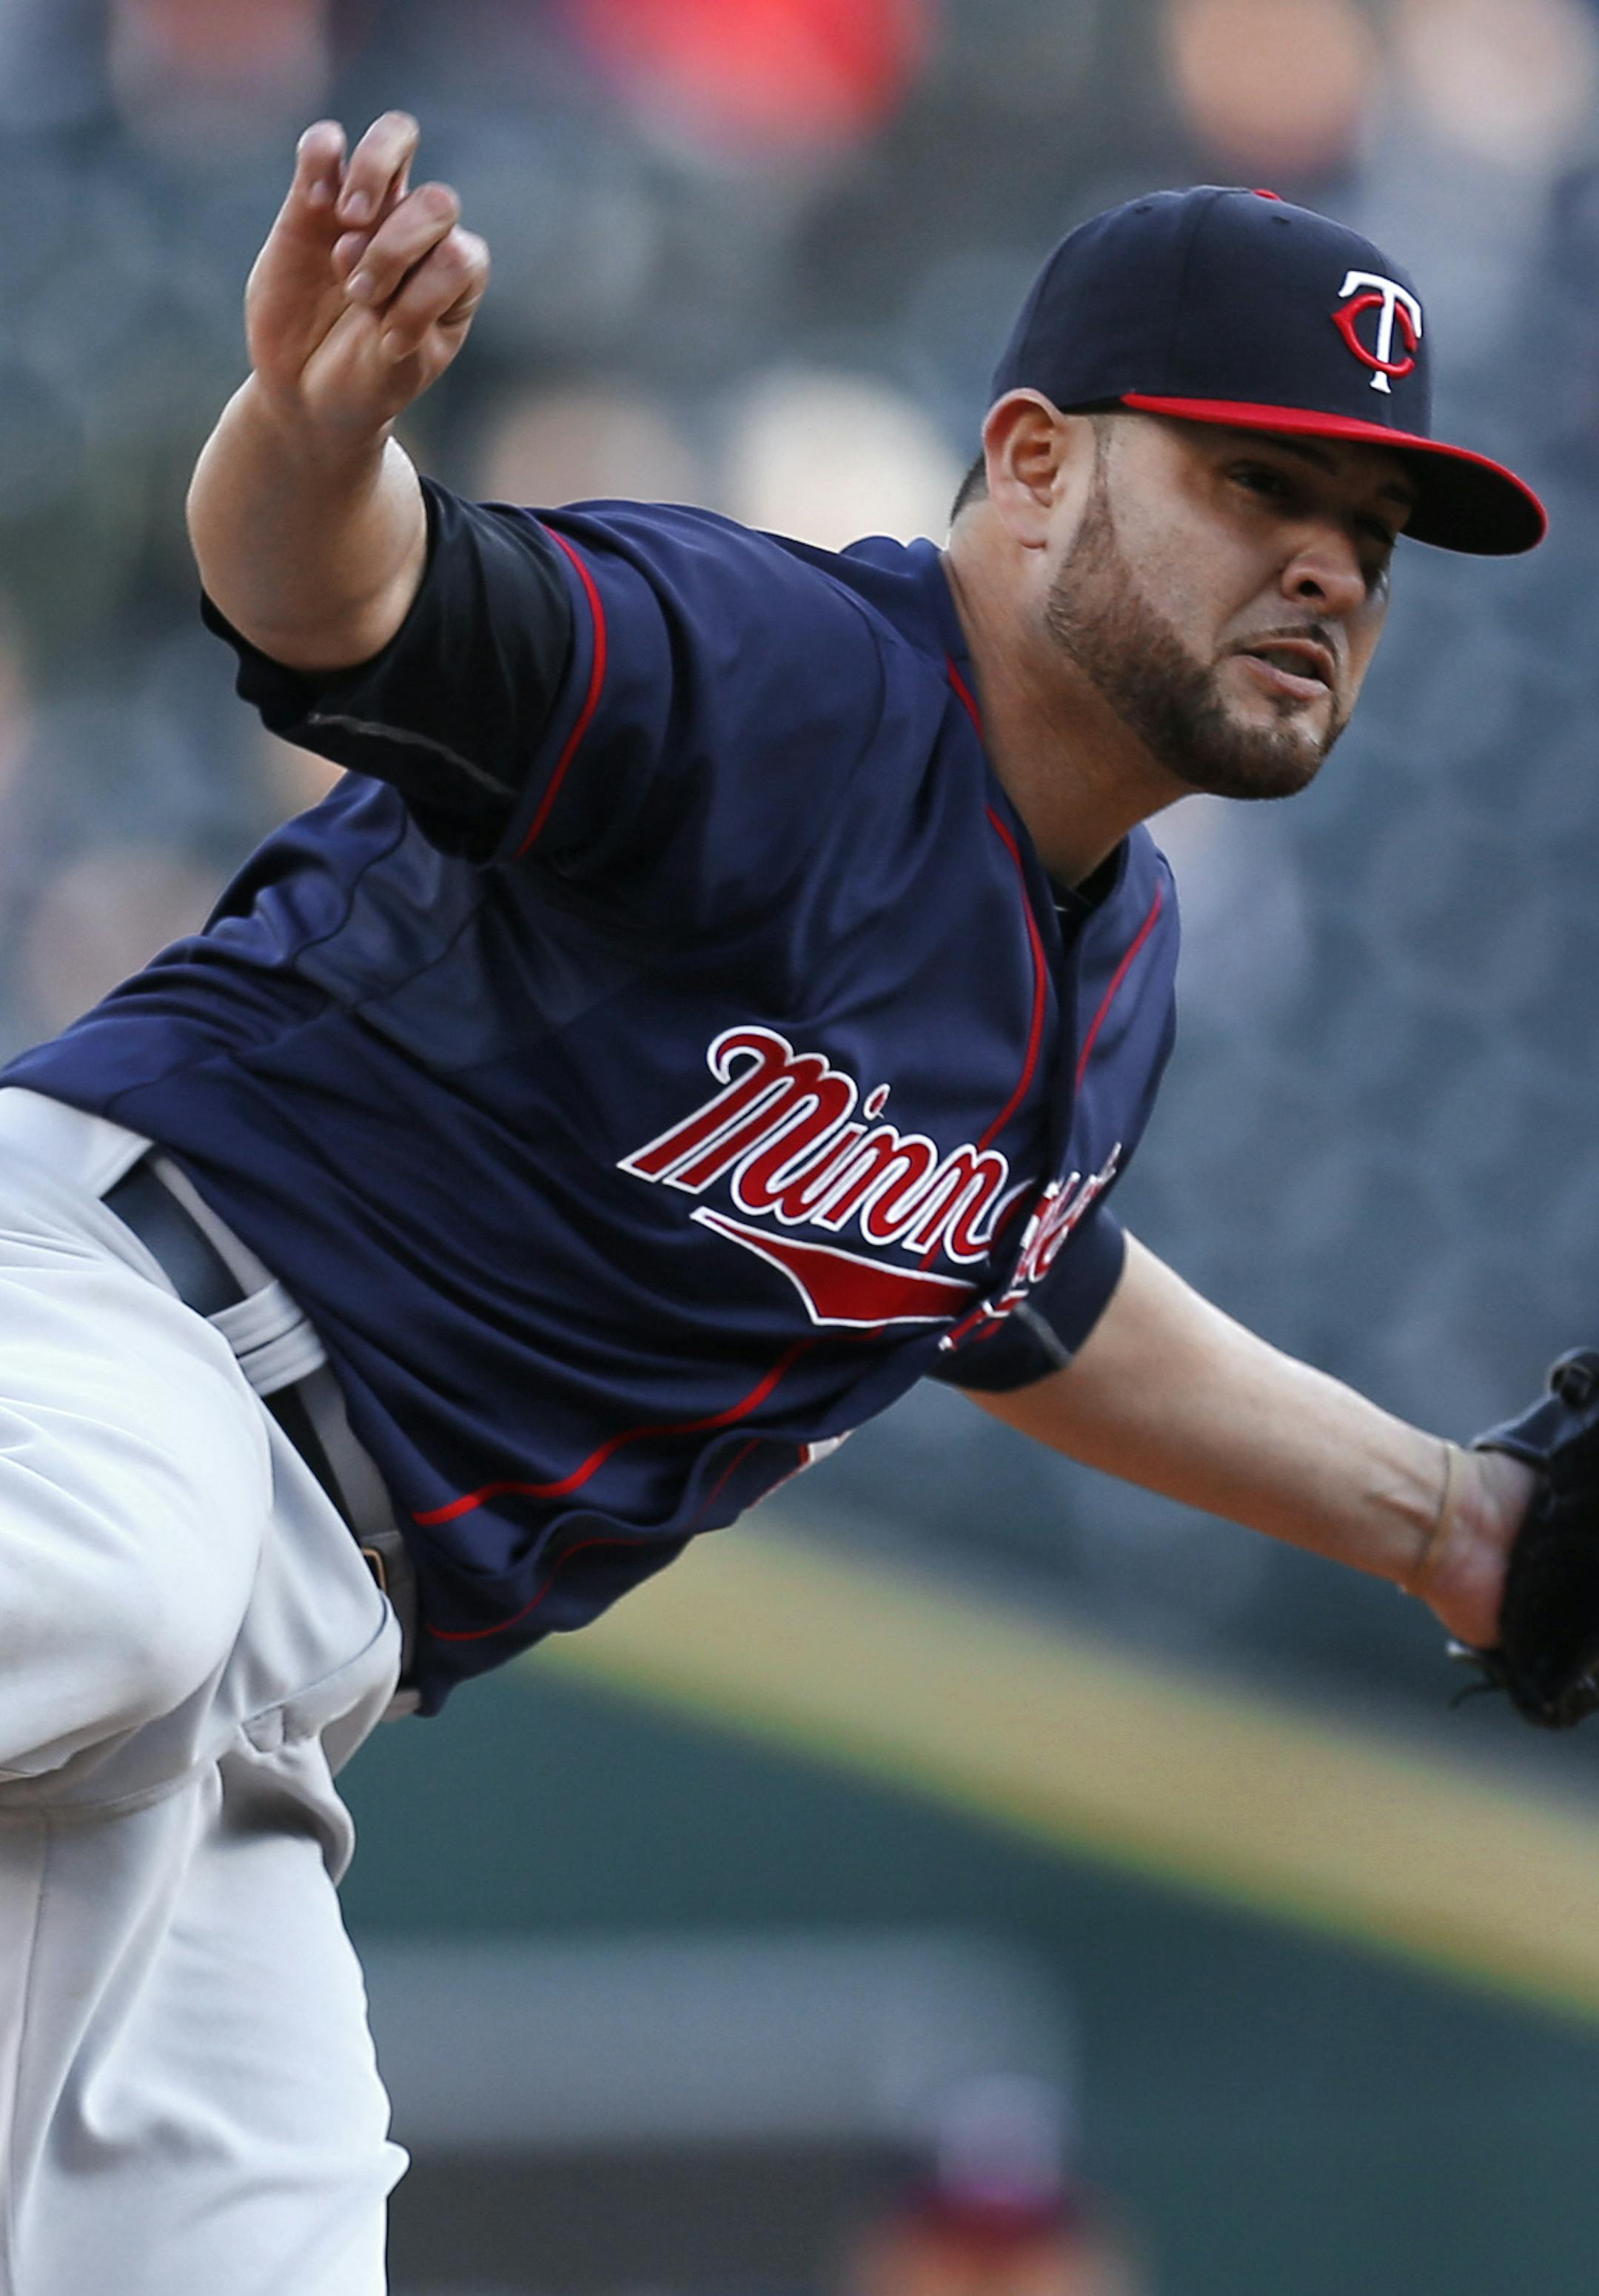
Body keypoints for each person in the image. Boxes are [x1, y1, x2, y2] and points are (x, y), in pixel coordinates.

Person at [0, 112, 1547, 2294]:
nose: (1328, 566)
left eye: (1375, 529)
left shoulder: (1117, 969)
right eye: (1257, 484)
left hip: (271, 1692)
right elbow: (349, 604)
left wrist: (1438, 1519)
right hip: (108, 1345)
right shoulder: (789, 682)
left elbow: (1016, 1286)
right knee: (133, 1580)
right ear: (1028, 463)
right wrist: (310, 431)